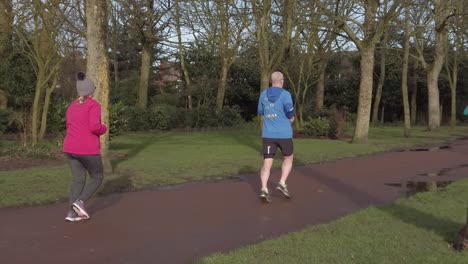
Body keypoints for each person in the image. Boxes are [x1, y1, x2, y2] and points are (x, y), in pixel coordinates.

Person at [63, 72, 107, 221]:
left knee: (78, 179)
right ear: (90, 91)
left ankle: (71, 213)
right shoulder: (93, 105)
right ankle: (79, 202)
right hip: (87, 149)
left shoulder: (71, 106)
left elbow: (70, 125)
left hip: (69, 148)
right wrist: (104, 128)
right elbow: (95, 127)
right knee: (97, 176)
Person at [257, 71, 295, 202]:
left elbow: (261, 111)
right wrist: (291, 117)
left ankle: (264, 188)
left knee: (267, 163)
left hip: (268, 134)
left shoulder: (263, 95)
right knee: (289, 158)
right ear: (282, 81)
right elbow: (289, 110)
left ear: (271, 81)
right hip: (284, 134)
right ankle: (282, 182)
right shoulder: (286, 95)